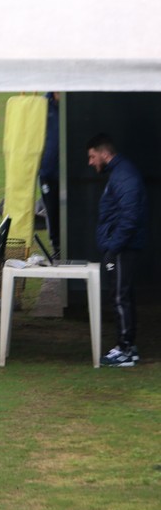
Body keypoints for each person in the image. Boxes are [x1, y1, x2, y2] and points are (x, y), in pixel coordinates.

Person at [87, 134, 147, 367]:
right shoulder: (120, 174)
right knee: (123, 295)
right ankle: (127, 346)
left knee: (120, 297)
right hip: (122, 246)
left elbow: (129, 217)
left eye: (92, 157)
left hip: (123, 248)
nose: (91, 162)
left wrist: (113, 248)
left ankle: (125, 349)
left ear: (104, 153)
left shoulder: (124, 176)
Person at [40, 93, 61, 256]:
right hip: (47, 171)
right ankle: (57, 247)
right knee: (52, 210)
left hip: (68, 172)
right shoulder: (42, 104)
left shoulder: (71, 105)